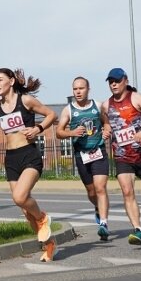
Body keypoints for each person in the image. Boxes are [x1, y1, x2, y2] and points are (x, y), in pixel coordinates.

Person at [0, 67, 58, 261]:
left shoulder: (26, 101)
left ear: (11, 81)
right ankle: (48, 245)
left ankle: (42, 217)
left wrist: (37, 129)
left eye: (0, 79)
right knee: (24, 209)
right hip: (11, 158)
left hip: (29, 155)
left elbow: (51, 115)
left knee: (19, 196)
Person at [100, 67, 141, 245]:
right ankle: (138, 230)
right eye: (110, 81)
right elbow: (105, 121)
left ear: (125, 81)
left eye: (117, 81)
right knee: (127, 192)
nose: (113, 84)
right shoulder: (106, 105)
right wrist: (106, 130)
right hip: (122, 156)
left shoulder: (136, 98)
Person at [56, 76, 112, 241]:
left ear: (88, 89)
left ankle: (103, 223)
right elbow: (59, 132)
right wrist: (72, 133)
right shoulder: (68, 110)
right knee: (91, 191)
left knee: (101, 188)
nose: (78, 92)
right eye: (75, 89)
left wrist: (107, 130)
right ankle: (97, 207)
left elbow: (106, 122)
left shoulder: (98, 105)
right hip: (81, 154)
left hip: (99, 151)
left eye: (81, 88)